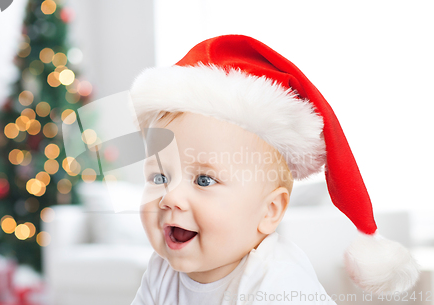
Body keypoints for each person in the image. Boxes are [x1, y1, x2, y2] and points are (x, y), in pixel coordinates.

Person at [128, 34, 419, 304]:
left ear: (269, 211)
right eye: (160, 177)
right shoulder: (160, 272)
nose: (170, 198)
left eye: (204, 179)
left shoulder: (277, 277)